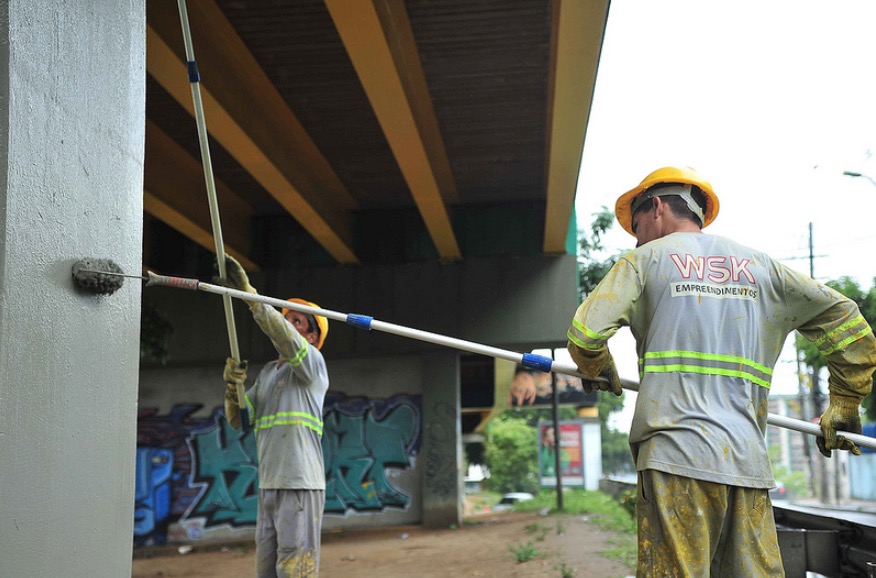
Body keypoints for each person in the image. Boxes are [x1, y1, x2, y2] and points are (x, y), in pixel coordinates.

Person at [566, 166, 876, 577]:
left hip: (674, 458)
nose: (636, 237)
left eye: (636, 225)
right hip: (747, 462)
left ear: (656, 207)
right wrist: (845, 399)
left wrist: (597, 365)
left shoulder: (645, 259)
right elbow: (846, 320)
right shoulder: (763, 268)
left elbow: (585, 334)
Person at [220, 255, 330, 578]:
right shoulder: (268, 374)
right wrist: (232, 387)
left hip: (300, 485)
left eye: (297, 321)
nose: (289, 323)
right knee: (267, 571)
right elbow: (241, 418)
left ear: (311, 337)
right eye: (288, 317)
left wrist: (251, 298)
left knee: (294, 572)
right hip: (270, 486)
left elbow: (284, 337)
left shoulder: (313, 365)